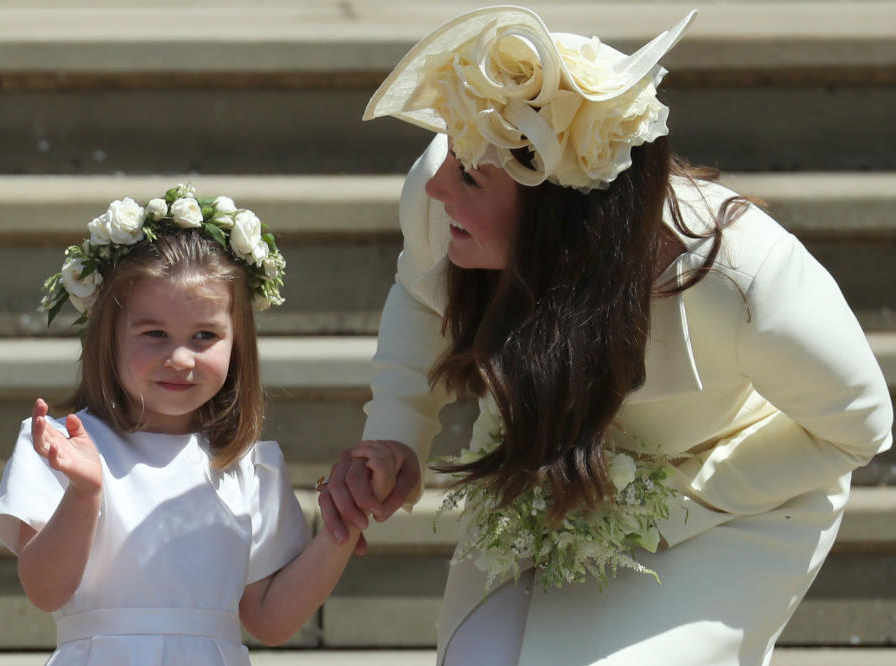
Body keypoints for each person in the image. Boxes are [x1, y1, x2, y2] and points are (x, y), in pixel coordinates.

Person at [318, 6, 894, 666]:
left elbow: (858, 430)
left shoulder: (742, 281)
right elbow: (421, 299)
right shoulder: (441, 193)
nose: (439, 186)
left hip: (738, 502)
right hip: (548, 469)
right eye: (450, 155)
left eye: (470, 176)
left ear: (558, 213)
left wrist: (658, 507)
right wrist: (394, 433)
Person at [0, 185, 393, 665]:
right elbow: (45, 589)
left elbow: (270, 617)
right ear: (108, 335)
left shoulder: (249, 465)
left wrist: (341, 525)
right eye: (154, 334)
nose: (179, 358)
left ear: (237, 341)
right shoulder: (66, 447)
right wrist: (84, 494)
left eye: (204, 336)